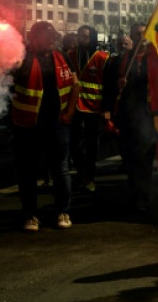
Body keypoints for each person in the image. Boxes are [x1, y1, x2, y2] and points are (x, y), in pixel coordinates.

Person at [9, 21, 79, 231]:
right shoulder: (22, 59)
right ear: (34, 39)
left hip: (57, 124)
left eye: (53, 38)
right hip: (27, 125)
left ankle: (63, 211)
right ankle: (30, 215)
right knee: (28, 172)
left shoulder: (63, 57)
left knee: (60, 170)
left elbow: (75, 85)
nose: (51, 41)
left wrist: (69, 113)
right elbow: (5, 87)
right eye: (47, 38)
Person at [107, 22, 156, 214]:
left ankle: (144, 197)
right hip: (127, 116)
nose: (140, 37)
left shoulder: (157, 60)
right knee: (129, 158)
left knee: (144, 159)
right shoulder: (120, 60)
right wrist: (118, 84)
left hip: (150, 115)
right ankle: (136, 194)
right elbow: (108, 87)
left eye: (143, 34)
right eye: (136, 34)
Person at [65, 25, 109, 193]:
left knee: (92, 146)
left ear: (93, 38)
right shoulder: (70, 55)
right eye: (80, 36)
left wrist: (107, 110)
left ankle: (90, 177)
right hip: (74, 107)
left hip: (95, 109)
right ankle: (81, 173)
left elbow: (109, 87)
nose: (82, 39)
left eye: (86, 36)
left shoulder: (103, 58)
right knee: (74, 144)